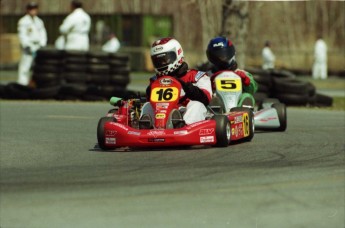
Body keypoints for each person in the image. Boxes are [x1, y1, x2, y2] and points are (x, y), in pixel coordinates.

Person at [140, 37, 212, 127]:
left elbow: (206, 98)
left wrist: (190, 89)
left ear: (177, 54)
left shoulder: (196, 76)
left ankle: (182, 125)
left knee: (196, 105)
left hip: (185, 112)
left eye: (165, 59)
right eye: (158, 61)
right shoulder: (155, 80)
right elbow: (149, 99)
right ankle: (146, 128)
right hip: (161, 114)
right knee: (147, 105)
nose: (162, 63)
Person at [206, 36, 258, 107]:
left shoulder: (242, 73)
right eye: (217, 57)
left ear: (231, 53)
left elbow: (253, 89)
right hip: (217, 109)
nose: (221, 59)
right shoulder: (207, 76)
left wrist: (246, 80)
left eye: (223, 56)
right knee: (210, 98)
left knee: (247, 96)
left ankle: (245, 113)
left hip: (238, 106)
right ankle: (216, 108)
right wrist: (210, 86)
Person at [17, 2, 47, 86]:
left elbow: (43, 33)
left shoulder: (39, 21)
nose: (33, 11)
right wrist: (26, 45)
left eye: (34, 9)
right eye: (31, 9)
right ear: (27, 10)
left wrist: (42, 44)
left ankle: (35, 84)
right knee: (25, 67)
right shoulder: (23, 21)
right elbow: (22, 34)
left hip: (38, 46)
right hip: (29, 46)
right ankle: (22, 84)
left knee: (38, 67)